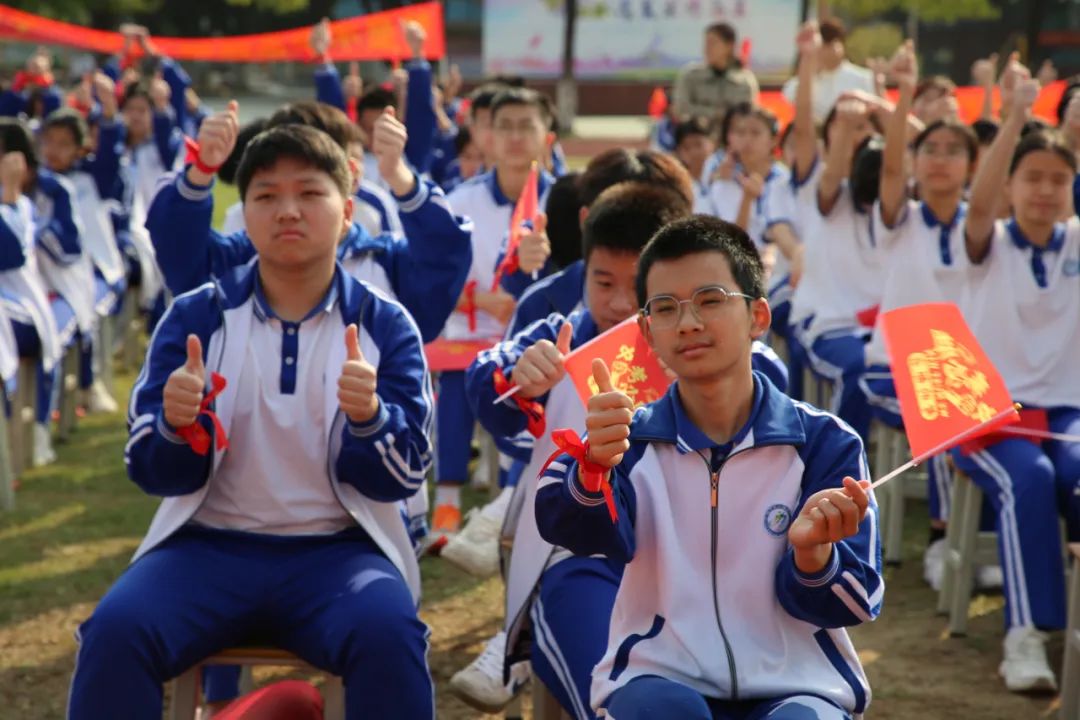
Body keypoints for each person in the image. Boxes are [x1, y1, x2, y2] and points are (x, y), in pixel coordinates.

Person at [67, 123, 436, 720]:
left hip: (340, 553)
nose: (288, 210)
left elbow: (405, 475)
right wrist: (175, 426)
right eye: (266, 195)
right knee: (115, 632)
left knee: (390, 636)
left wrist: (370, 419)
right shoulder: (197, 317)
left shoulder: (385, 325)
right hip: (206, 548)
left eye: (309, 193)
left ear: (347, 212)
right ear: (243, 214)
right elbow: (149, 468)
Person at [536, 215, 882, 720]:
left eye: (710, 299)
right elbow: (565, 523)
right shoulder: (627, 441)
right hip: (659, 674)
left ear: (758, 316)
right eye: (666, 308)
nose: (688, 323)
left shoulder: (825, 443)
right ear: (646, 332)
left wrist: (813, 556)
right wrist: (591, 467)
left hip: (801, 684)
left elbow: (860, 599)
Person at [456, 182, 693, 716]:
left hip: (696, 562)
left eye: (636, 286)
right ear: (581, 271)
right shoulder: (560, 336)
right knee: (614, 701)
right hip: (578, 556)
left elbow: (763, 382)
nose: (618, 303)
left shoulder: (701, 344)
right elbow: (487, 379)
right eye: (602, 281)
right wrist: (520, 378)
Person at [950, 72, 1080, 694]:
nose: (1046, 190)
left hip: (1067, 413)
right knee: (1028, 477)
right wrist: (1014, 117)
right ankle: (1025, 635)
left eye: (1058, 179)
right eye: (1033, 178)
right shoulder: (987, 242)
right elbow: (978, 205)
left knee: (1075, 472)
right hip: (989, 415)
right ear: (1009, 185)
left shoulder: (1077, 241)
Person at [432, 87, 556, 538]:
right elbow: (436, 278)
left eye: (527, 126)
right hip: (469, 330)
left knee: (532, 383)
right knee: (458, 380)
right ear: (486, 136)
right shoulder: (458, 201)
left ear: (548, 136)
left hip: (539, 337)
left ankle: (511, 498)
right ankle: (446, 504)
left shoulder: (561, 200)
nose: (515, 137)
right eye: (505, 127)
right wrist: (481, 301)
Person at [781, 18, 876, 123]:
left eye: (832, 42)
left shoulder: (865, 79)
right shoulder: (794, 87)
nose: (831, 48)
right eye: (824, 43)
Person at [672, 23, 759, 124]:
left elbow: (748, 115)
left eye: (713, 43)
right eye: (706, 44)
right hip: (697, 132)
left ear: (729, 46)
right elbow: (681, 110)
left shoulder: (744, 81)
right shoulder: (691, 76)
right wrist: (717, 114)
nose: (707, 49)